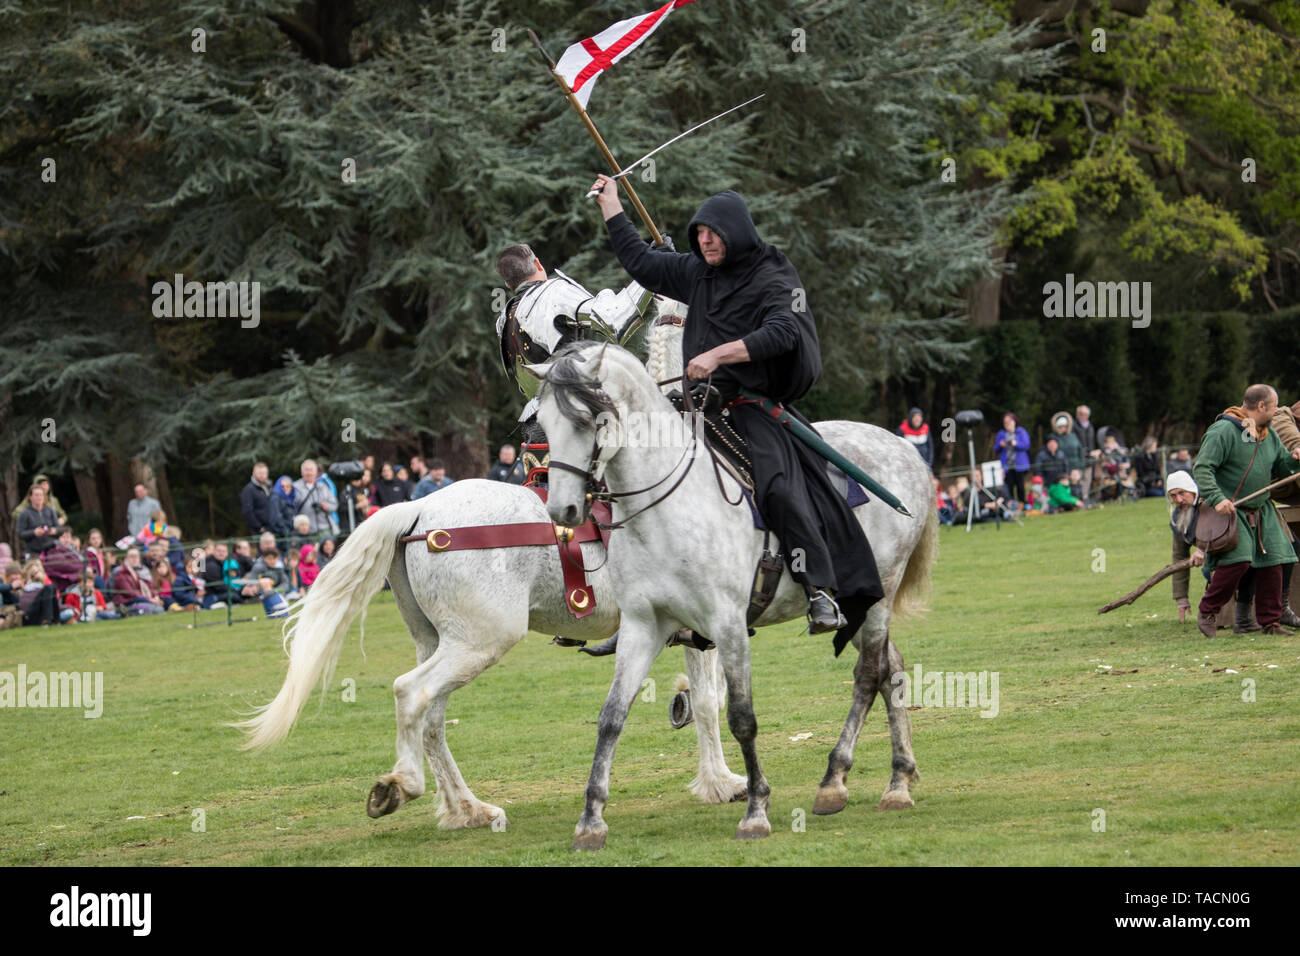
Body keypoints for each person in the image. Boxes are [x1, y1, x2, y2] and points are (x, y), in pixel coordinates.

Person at [592, 174, 883, 635]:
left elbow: (785, 330)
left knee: (780, 488)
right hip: (691, 409)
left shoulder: (772, 274)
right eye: (700, 235)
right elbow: (642, 263)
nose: (705, 242)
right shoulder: (697, 273)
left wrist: (718, 354)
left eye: (713, 235)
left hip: (751, 408)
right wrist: (612, 207)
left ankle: (820, 590)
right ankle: (650, 607)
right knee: (633, 474)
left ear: (736, 233)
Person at [1193, 385, 1300, 637]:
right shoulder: (1222, 431)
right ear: (1261, 406)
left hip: (1262, 508)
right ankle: (1208, 611)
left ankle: (1270, 622)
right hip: (1232, 509)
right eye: (1274, 406)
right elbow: (1203, 468)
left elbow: (1280, 467)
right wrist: (1217, 498)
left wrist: (1293, 458)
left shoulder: (1267, 434)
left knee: (1277, 560)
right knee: (1237, 561)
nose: (1277, 411)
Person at [1165, 470, 1204, 626]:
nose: (1179, 500)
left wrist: (1205, 551)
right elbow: (1179, 557)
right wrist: (1181, 598)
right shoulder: (1178, 518)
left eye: (1182, 493)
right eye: (1173, 496)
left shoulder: (1209, 505)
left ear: (1192, 490)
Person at [109, 548, 166, 615]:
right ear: (126, 558)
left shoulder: (140, 572)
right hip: (127, 604)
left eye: (136, 556)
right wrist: (150, 600)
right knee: (155, 609)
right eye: (132, 556)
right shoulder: (120, 573)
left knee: (163, 603)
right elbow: (130, 593)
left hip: (141, 600)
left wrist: (156, 597)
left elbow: (151, 587)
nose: (134, 558)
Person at [292, 459, 337, 536]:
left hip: (324, 528)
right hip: (305, 530)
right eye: (306, 470)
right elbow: (291, 507)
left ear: (316, 472)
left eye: (311, 470)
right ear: (302, 472)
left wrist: (326, 506)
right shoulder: (295, 487)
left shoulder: (323, 487)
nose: (309, 473)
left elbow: (334, 505)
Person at [994, 412, 1031, 505]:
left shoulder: (1021, 431)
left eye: (1009, 422)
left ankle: (1022, 504)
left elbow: (1026, 445)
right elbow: (995, 449)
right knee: (1009, 486)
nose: (1007, 424)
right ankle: (1011, 504)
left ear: (1014, 422)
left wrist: (1016, 443)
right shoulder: (1001, 434)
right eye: (1005, 422)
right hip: (1006, 465)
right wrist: (1000, 445)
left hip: (1019, 464)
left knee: (1020, 486)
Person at [1073, 405, 1101, 501]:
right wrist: (1086, 452)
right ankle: (1078, 499)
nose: (1083, 416)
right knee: (1078, 479)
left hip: (1089, 457)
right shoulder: (1073, 426)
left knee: (1087, 478)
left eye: (1085, 414)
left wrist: (1093, 452)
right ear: (1077, 414)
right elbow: (1076, 443)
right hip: (1079, 457)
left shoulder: (1090, 426)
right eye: (1081, 414)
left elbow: (1092, 442)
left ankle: (1085, 498)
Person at [241, 462, 276, 536]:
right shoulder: (248, 489)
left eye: (264, 473)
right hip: (259, 531)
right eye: (260, 473)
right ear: (253, 473)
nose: (262, 475)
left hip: (273, 528)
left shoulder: (270, 487)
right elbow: (247, 511)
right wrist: (258, 527)